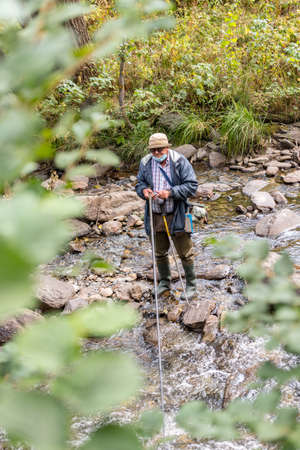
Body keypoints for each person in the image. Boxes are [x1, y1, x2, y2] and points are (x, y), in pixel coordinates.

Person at [135, 132, 198, 300]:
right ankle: (164, 282)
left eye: (159, 149)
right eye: (153, 150)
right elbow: (139, 183)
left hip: (176, 213)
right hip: (154, 214)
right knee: (159, 252)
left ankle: (191, 285)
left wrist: (170, 193)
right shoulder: (146, 162)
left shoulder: (179, 161)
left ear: (167, 148)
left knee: (185, 252)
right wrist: (143, 191)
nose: (156, 153)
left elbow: (192, 186)